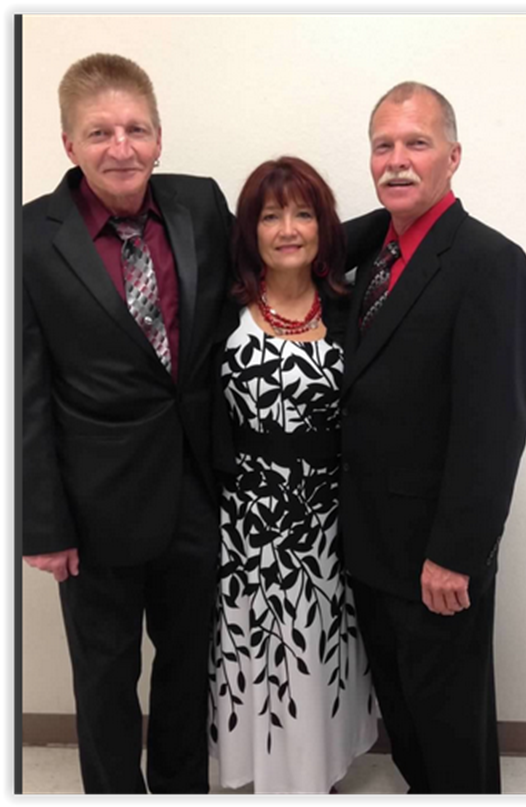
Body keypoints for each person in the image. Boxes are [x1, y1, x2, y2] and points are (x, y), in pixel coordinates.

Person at [22, 53, 231, 795]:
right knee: (106, 678)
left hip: (196, 489)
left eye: (136, 129)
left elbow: (283, 254)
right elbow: (25, 392)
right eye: (99, 132)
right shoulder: (30, 237)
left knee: (188, 667)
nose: (121, 147)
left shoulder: (201, 203)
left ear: (159, 136)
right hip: (93, 507)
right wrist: (42, 523)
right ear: (68, 143)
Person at [340, 82, 526, 795]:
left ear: (452, 156)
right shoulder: (376, 256)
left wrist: (454, 554)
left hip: (434, 557)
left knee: (451, 733)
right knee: (407, 721)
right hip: (369, 546)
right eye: (382, 145)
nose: (396, 160)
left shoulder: (491, 263)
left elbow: (496, 423)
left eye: (416, 143)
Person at [208, 157, 378, 794]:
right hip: (246, 522)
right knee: (259, 649)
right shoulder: (220, 310)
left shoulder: (351, 306)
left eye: (304, 214)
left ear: (324, 227)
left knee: (319, 648)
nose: (287, 229)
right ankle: (268, 774)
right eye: (271, 215)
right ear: (248, 229)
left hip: (330, 519)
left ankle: (316, 773)